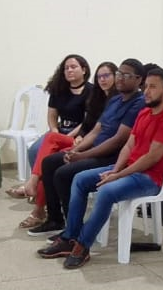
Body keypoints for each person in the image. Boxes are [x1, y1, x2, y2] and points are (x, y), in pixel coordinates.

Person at [36, 67, 163, 268]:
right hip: (129, 169)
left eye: (153, 87)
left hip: (151, 178)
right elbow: (129, 145)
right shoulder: (144, 113)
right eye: (146, 86)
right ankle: (70, 236)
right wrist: (116, 170)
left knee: (106, 191)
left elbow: (151, 158)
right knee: (79, 179)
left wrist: (119, 175)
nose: (147, 91)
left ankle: (82, 245)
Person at [26, 59, 147, 236]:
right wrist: (75, 150)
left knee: (63, 174)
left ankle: (73, 229)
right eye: (119, 73)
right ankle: (55, 219)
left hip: (112, 157)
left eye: (126, 75)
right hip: (95, 151)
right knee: (49, 162)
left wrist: (83, 156)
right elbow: (95, 131)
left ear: (139, 80)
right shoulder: (114, 100)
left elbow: (118, 140)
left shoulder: (138, 103)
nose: (120, 78)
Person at [16, 61, 116, 229]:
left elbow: (100, 132)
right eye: (99, 77)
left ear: (84, 70)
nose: (102, 80)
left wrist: (77, 141)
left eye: (106, 76)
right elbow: (88, 124)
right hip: (76, 138)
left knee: (53, 155)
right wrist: (77, 137)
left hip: (91, 145)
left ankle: (37, 198)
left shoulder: (110, 98)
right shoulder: (95, 97)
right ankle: (49, 214)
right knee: (47, 153)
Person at [7, 54, 92, 200]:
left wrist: (66, 136)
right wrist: (54, 130)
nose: (69, 70)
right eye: (66, 68)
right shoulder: (59, 89)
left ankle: (35, 188)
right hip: (59, 130)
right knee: (34, 150)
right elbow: (52, 115)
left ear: (84, 70)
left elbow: (87, 121)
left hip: (79, 134)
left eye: (73, 67)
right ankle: (40, 191)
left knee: (53, 154)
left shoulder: (91, 91)